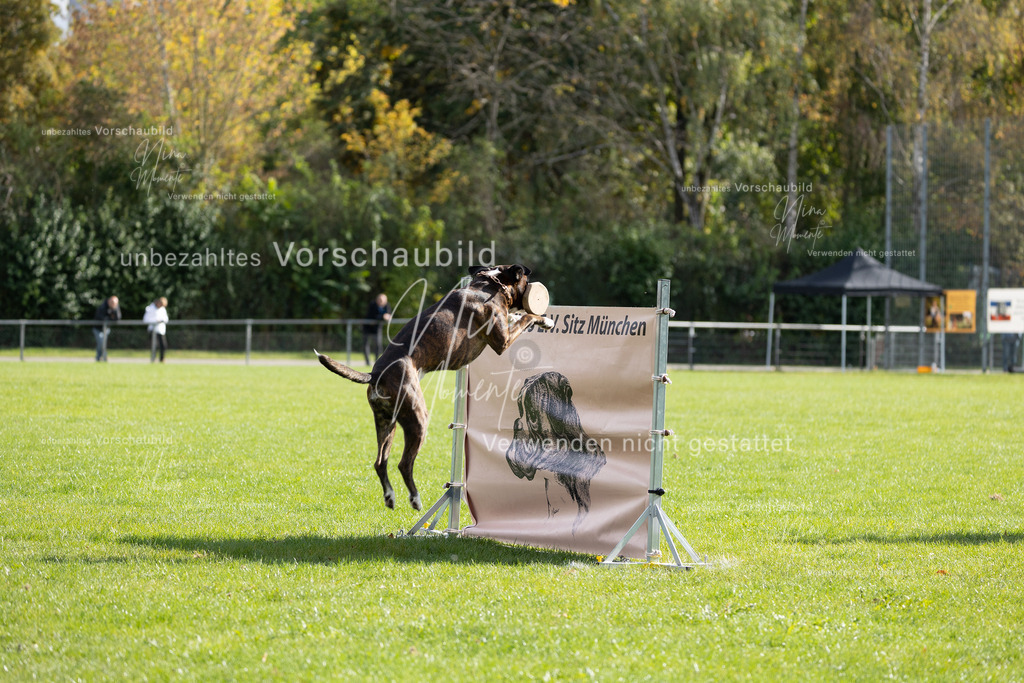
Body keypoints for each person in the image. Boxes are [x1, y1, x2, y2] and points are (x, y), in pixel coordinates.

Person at [363, 292, 392, 366]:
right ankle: (367, 362)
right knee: (366, 345)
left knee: (378, 345)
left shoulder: (387, 305)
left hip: (377, 328)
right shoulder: (372, 305)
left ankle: (377, 361)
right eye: (379, 300)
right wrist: (382, 317)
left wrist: (387, 317)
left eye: (382, 300)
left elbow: (389, 315)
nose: (380, 302)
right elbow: (371, 315)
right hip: (367, 328)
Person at [92, 295, 121, 362]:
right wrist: (110, 318)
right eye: (113, 303)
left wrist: (114, 310)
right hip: (97, 329)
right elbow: (101, 318)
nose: (114, 305)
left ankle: (98, 358)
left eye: (115, 304)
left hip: (106, 329)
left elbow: (117, 318)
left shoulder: (115, 307)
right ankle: (104, 357)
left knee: (102, 344)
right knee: (101, 343)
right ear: (109, 301)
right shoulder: (103, 307)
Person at [143, 297, 169, 363]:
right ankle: (153, 359)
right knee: (154, 346)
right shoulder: (150, 309)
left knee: (163, 345)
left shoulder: (163, 309)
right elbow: (145, 320)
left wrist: (161, 320)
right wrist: (155, 321)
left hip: (160, 330)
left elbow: (166, 319)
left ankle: (162, 359)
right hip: (153, 330)